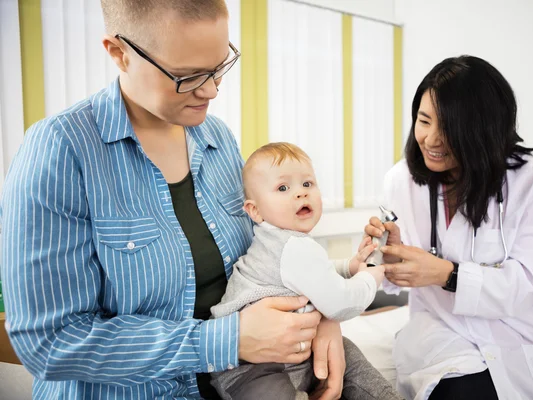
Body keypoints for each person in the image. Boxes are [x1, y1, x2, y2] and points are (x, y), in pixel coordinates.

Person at [0, 1, 347, 398]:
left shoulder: (217, 139)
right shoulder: (61, 151)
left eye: (218, 66)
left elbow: (270, 255)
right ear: (119, 53)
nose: (212, 90)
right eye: (187, 76)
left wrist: (324, 312)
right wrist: (225, 341)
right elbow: (49, 343)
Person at [363, 55, 533, 399]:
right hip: (439, 330)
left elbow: (532, 285)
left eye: (450, 128)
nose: (431, 139)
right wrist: (388, 261)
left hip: (517, 331)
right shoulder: (401, 180)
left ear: (483, 130)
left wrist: (448, 274)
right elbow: (387, 275)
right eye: (424, 121)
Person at [208, 142, 400, 400]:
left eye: (307, 184)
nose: (300, 194)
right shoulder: (293, 247)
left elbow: (310, 276)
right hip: (252, 365)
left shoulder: (276, 241)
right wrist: (370, 277)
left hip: (295, 352)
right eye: (283, 188)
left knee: (348, 356)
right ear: (254, 210)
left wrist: (349, 268)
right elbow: (340, 303)